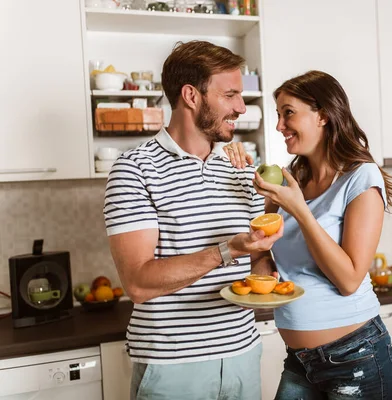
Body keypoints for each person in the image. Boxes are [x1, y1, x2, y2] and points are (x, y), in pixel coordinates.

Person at [103, 40, 282, 400]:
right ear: (191, 95)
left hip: (242, 354)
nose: (241, 107)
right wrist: (225, 250)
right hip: (172, 366)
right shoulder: (134, 169)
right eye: (230, 95)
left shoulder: (241, 170)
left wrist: (270, 272)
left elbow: (257, 259)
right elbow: (137, 282)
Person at [226, 70, 392, 399]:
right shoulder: (292, 176)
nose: (279, 125)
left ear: (323, 115)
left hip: (357, 358)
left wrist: (300, 211)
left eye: (288, 113)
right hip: (301, 361)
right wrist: (233, 165)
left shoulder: (361, 177)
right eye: (278, 115)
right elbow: (262, 248)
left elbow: (349, 279)